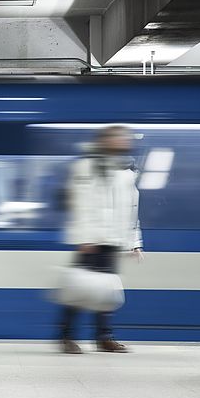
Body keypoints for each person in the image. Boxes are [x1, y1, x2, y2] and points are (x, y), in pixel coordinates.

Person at [59, 125, 144, 354]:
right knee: (80, 290)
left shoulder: (127, 169)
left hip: (114, 240)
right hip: (93, 240)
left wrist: (134, 242)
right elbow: (81, 203)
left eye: (125, 137)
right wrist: (86, 238)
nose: (124, 141)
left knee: (106, 292)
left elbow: (131, 208)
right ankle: (66, 336)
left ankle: (103, 337)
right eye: (118, 137)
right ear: (105, 140)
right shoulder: (87, 166)